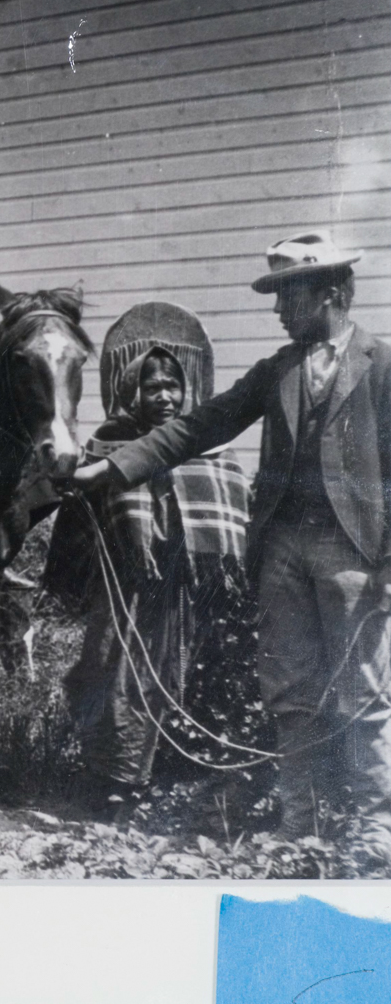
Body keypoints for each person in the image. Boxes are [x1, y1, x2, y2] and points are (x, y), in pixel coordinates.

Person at [73, 233, 391, 855]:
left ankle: (376, 829)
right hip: (280, 553)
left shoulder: (382, 366)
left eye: (285, 296)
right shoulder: (277, 370)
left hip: (353, 555)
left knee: (364, 691)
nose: (276, 311)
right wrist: (113, 468)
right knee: (291, 689)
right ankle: (301, 824)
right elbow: (201, 424)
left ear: (328, 293)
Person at [48, 338, 251, 820]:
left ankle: (129, 790)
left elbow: (231, 505)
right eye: (152, 387)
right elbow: (78, 517)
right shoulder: (108, 443)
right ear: (130, 392)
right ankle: (102, 778)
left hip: (176, 591)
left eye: (173, 387)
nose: (165, 396)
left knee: (157, 681)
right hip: (120, 588)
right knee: (103, 672)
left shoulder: (210, 445)